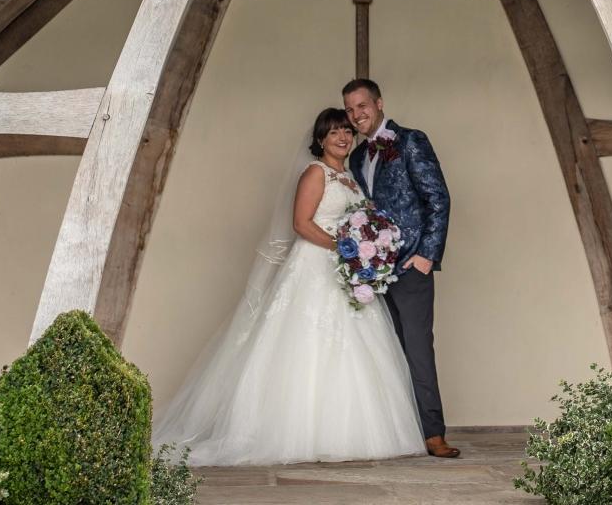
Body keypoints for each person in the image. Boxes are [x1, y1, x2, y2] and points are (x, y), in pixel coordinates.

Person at [151, 108, 424, 466]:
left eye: (346, 130)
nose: (342, 137)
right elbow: (301, 223)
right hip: (316, 267)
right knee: (306, 345)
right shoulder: (315, 173)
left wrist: (362, 252)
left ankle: (348, 433)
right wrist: (346, 249)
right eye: (333, 133)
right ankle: (298, 433)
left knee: (356, 345)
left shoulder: (352, 177)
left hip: (348, 272)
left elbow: (360, 220)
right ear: (320, 140)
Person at [342, 78, 459, 459]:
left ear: (378, 104)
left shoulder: (411, 141)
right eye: (350, 109)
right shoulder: (358, 158)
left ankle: (433, 433)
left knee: (418, 349)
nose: (357, 115)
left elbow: (437, 199)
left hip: (411, 267)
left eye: (362, 106)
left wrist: (427, 255)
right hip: (374, 272)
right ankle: (401, 432)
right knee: (385, 351)